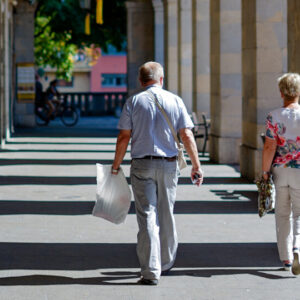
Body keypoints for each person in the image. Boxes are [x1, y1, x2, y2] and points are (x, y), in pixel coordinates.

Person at [112, 61, 204, 285]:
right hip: (169, 164)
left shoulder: (133, 102)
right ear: (161, 79)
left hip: (142, 165)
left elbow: (124, 137)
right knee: (166, 213)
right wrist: (196, 165)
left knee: (147, 216)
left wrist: (115, 166)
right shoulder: (175, 100)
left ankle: (150, 269)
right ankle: (166, 262)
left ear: (141, 81)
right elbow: (187, 135)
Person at [262, 73, 300, 275]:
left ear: (281, 92)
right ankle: (298, 248)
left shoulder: (274, 116)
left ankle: (286, 257)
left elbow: (269, 146)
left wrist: (265, 172)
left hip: (280, 169)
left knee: (283, 213)